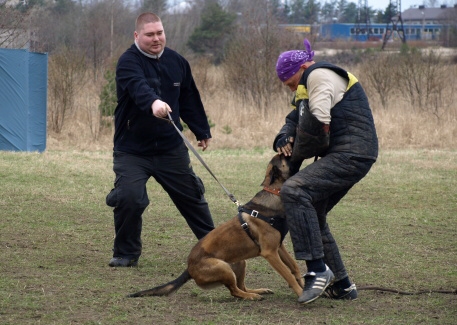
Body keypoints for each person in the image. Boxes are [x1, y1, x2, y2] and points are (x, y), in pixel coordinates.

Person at [105, 12, 215, 267]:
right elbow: (138, 87)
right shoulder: (128, 62)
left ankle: (215, 246)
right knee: (131, 198)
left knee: (193, 197)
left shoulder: (177, 61)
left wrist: (202, 130)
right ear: (137, 36)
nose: (156, 39)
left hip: (170, 148)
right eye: (150, 34)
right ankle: (125, 253)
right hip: (132, 150)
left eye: (160, 33)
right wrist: (154, 103)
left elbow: (189, 97)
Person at [273, 39, 378, 304]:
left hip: (351, 154)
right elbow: (296, 118)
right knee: (314, 215)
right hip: (347, 153)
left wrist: (294, 160)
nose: (290, 86)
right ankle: (342, 286)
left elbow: (318, 124)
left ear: (303, 67)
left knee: (294, 190)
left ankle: (317, 270)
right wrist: (284, 136)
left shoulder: (318, 75)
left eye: (290, 80)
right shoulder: (306, 85)